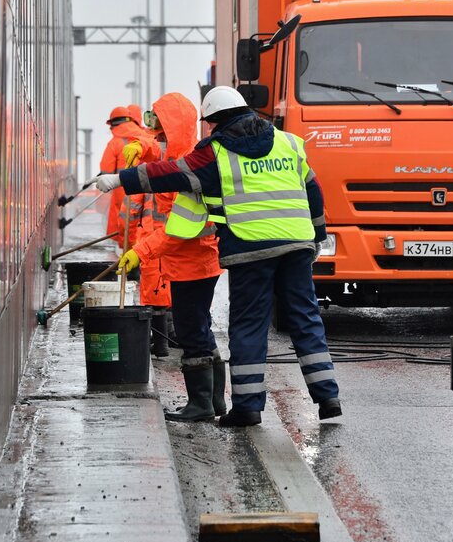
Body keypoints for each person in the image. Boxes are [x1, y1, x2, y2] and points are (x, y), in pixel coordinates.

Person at [94, 86, 341, 427]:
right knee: (306, 319)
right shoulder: (287, 142)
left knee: (248, 325)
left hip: (250, 247)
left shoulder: (216, 152)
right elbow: (313, 189)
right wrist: (317, 236)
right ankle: (328, 396)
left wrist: (119, 179)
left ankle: (248, 407)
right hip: (296, 244)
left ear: (214, 121)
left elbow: (169, 173)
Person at [115, 93, 225, 415]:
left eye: (161, 127)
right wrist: (141, 145)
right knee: (201, 326)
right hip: (195, 262)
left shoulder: (187, 171)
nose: (155, 134)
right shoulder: (182, 155)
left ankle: (201, 403)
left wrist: (141, 251)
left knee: (192, 331)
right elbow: (157, 151)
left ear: (173, 128)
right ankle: (215, 399)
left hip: (192, 261)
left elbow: (176, 231)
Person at [98, 106, 158, 251]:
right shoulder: (146, 136)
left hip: (122, 193)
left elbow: (106, 170)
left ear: (112, 124)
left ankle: (130, 253)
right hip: (148, 190)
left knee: (127, 225)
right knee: (145, 228)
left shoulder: (114, 143)